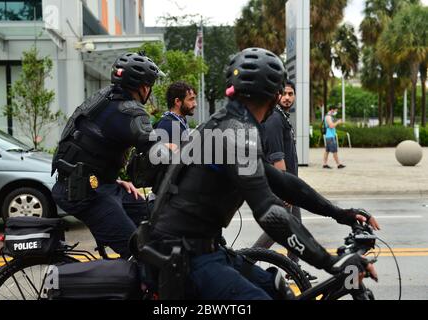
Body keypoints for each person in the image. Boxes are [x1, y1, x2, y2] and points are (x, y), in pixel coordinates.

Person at [147, 47, 379, 300]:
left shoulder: (228, 123)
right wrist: (330, 261)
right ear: (274, 95)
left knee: (278, 289)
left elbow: (283, 182)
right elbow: (268, 211)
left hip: (202, 248)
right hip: (186, 258)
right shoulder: (237, 132)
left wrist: (340, 213)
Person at [50, 52, 164, 259]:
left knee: (152, 219)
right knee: (139, 251)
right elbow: (156, 151)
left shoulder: (105, 97)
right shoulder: (130, 111)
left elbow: (91, 144)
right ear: (143, 87)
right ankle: (135, 286)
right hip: (85, 193)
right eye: (150, 84)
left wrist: (114, 179)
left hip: (94, 184)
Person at [261, 79, 317, 282]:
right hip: (282, 186)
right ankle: (245, 261)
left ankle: (293, 269)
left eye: (290, 94)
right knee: (275, 230)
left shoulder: (282, 118)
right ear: (276, 96)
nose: (287, 98)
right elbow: (277, 157)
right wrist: (285, 190)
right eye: (283, 94)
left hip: (288, 185)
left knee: (296, 228)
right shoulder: (275, 119)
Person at [155, 81, 197, 146]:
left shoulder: (177, 122)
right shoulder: (168, 125)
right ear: (177, 101)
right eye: (191, 99)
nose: (195, 104)